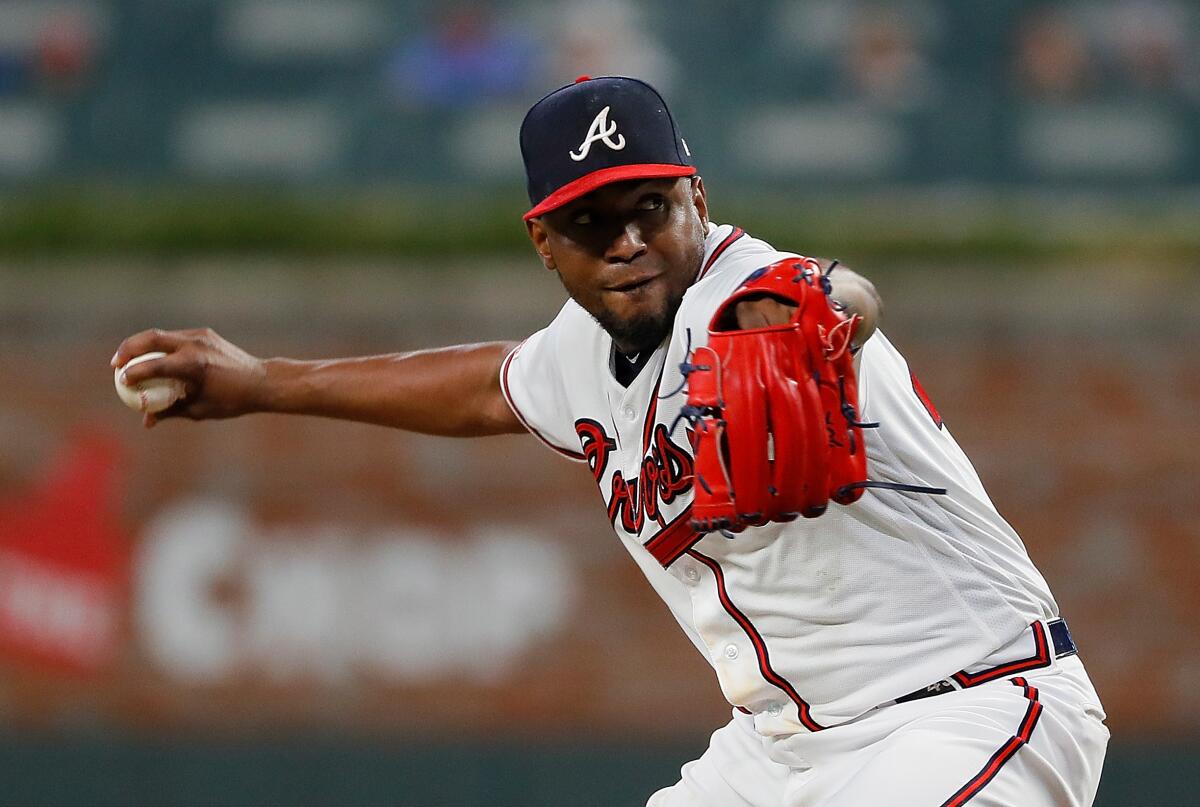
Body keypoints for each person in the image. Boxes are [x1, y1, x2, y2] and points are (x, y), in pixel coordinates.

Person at [113, 76, 1109, 806]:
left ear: (699, 201)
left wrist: (809, 308)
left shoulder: (755, 290)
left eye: (651, 209)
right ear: (544, 243)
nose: (629, 242)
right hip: (778, 751)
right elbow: (487, 390)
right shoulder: (583, 351)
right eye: (593, 223)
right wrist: (265, 384)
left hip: (966, 706)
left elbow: (846, 296)